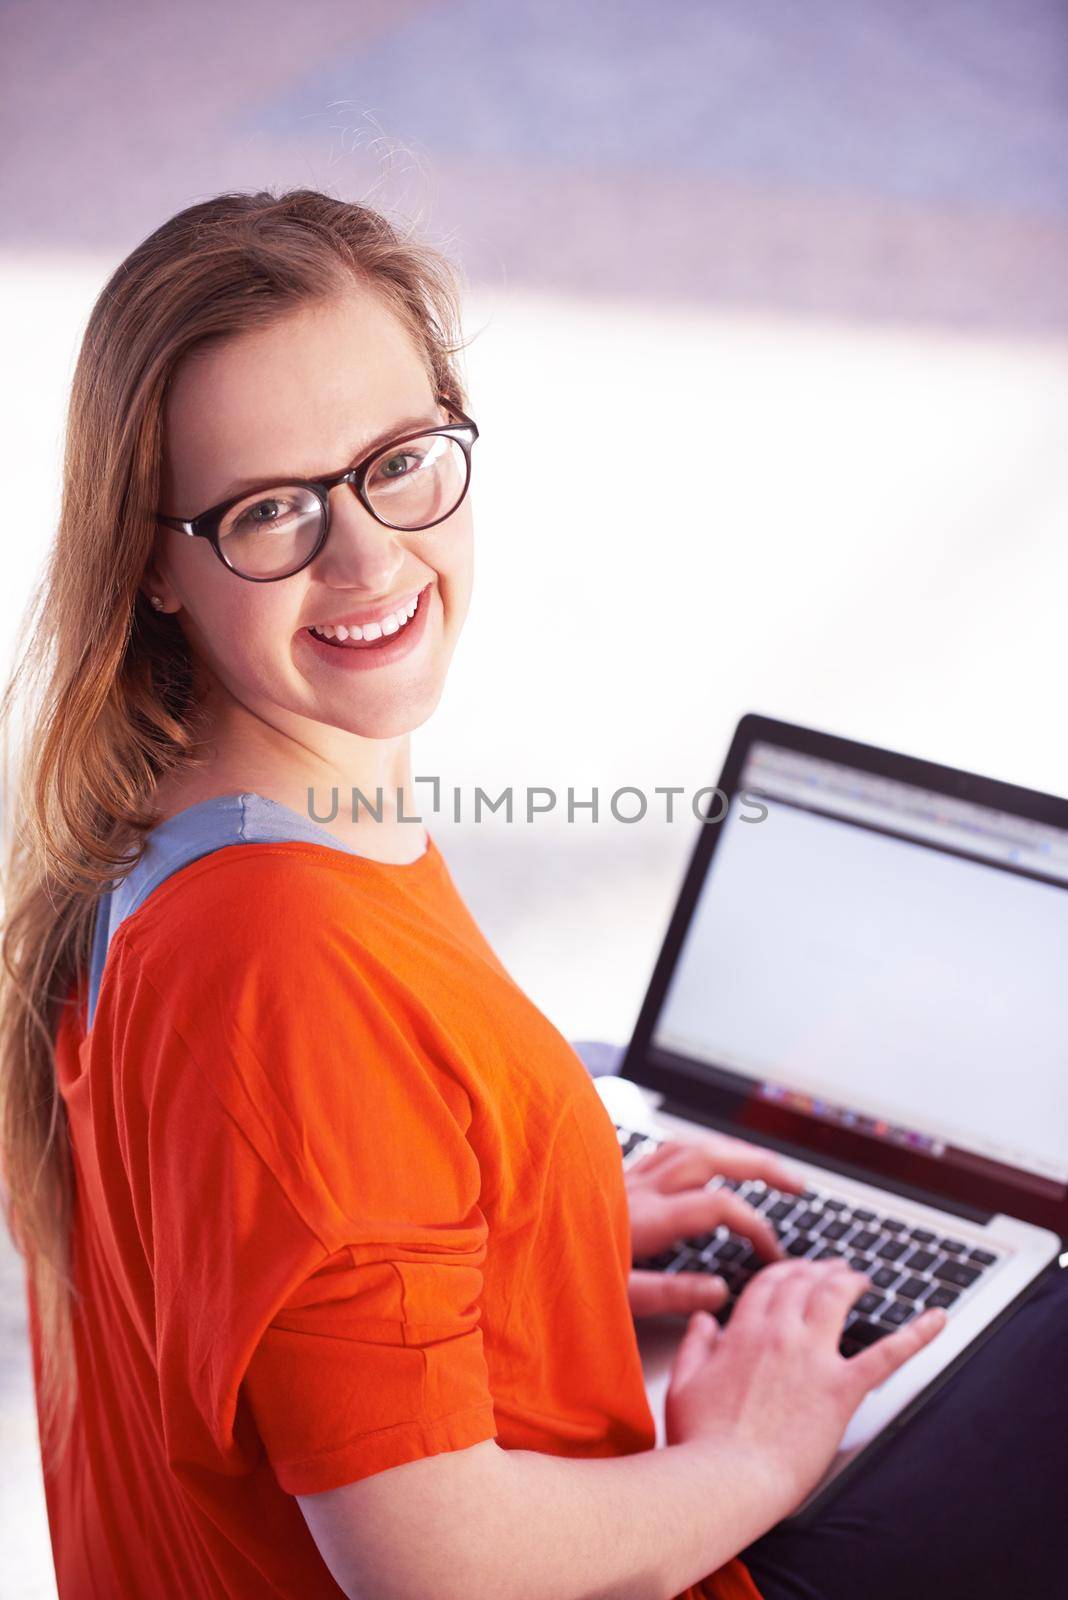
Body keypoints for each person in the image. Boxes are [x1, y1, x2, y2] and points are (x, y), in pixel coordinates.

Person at [0, 187, 1059, 1600]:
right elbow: (437, 1572)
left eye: (397, 462)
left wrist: (538, 1243)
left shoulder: (166, 833)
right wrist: (757, 1455)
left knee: (605, 1085)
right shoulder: (284, 963)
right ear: (155, 563)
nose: (368, 556)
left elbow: (276, 1250)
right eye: (269, 511)